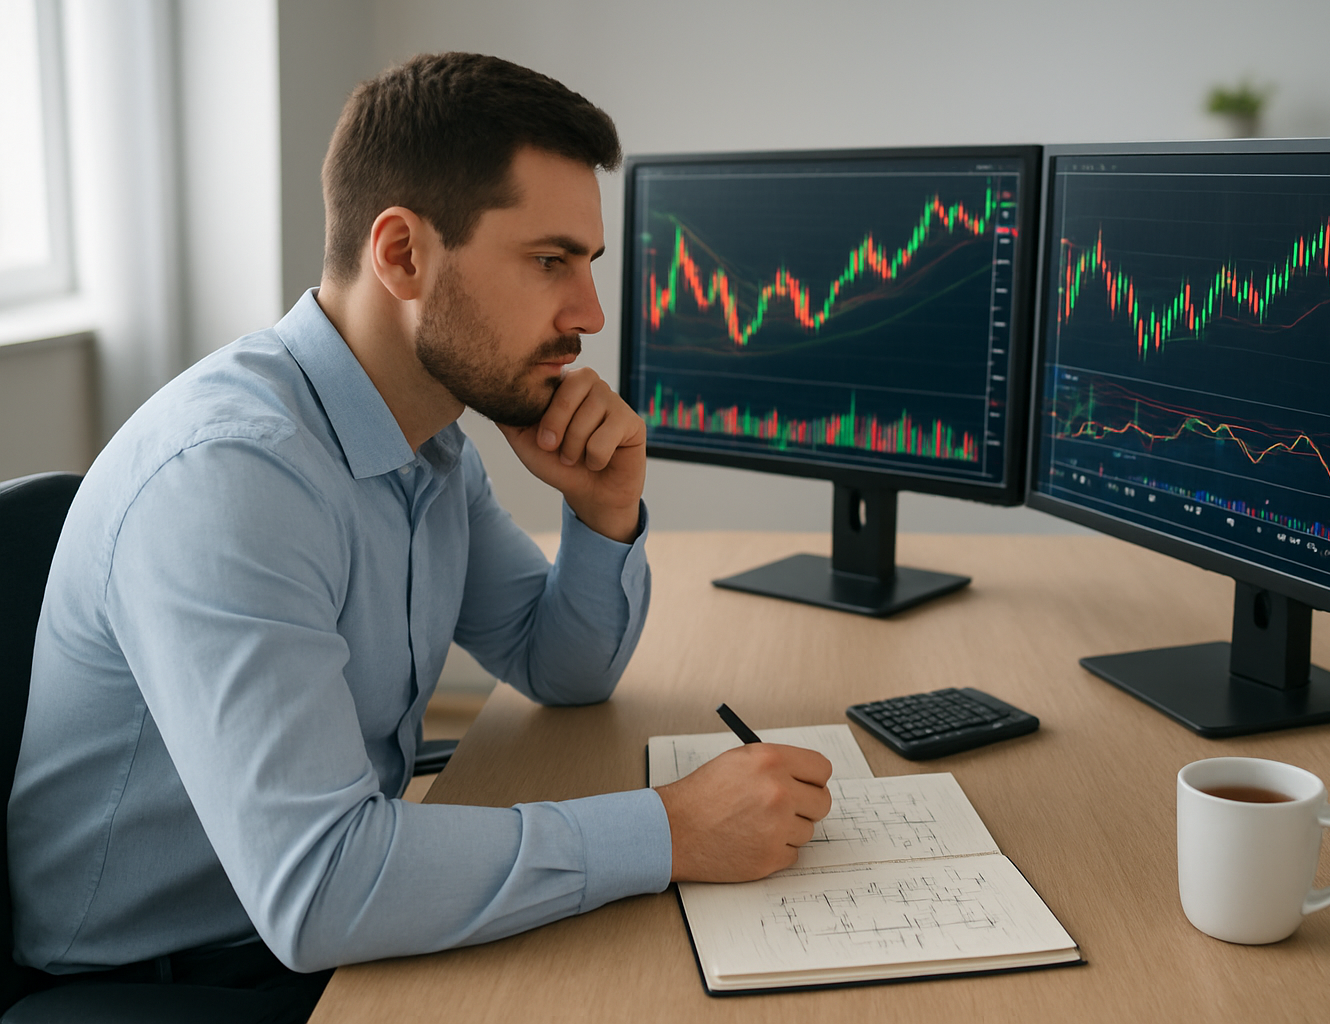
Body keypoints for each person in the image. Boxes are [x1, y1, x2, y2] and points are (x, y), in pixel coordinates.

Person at [7, 52, 832, 1022]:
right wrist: (670, 830)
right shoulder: (232, 479)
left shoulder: (428, 443)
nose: (590, 314)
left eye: (589, 265)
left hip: (322, 915)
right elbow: (320, 885)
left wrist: (603, 511)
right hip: (174, 979)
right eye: (550, 261)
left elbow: (559, 667)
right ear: (401, 254)